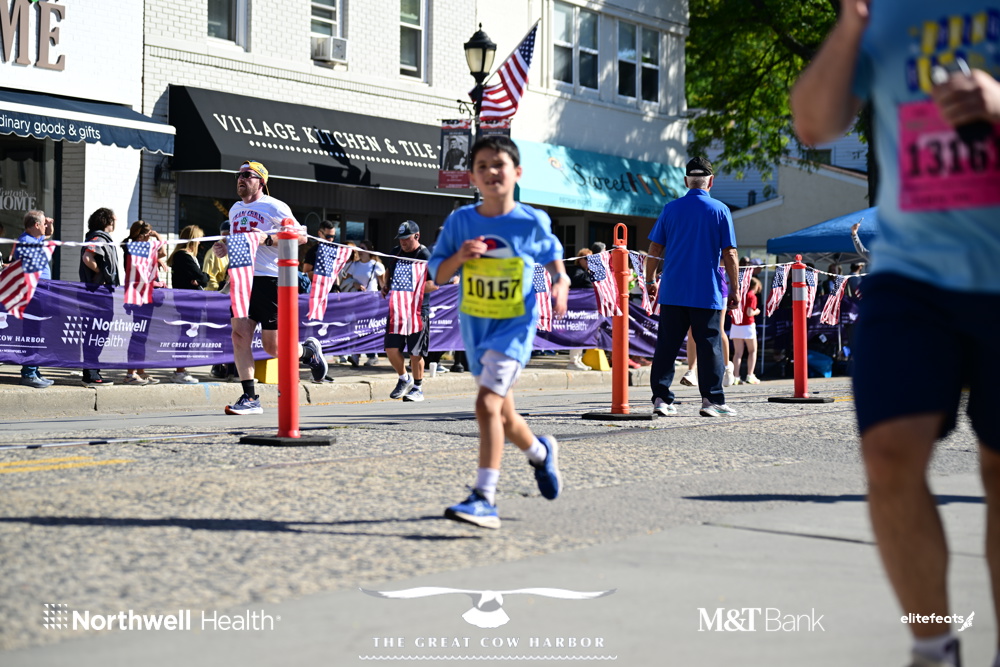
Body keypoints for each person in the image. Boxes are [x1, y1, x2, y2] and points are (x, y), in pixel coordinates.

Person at [791, 4, 1000, 666]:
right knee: (887, 454)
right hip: (911, 272)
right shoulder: (886, 12)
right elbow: (813, 123)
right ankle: (934, 646)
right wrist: (852, 23)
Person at [427, 135, 569, 529]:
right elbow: (438, 274)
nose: (491, 171)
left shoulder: (530, 221)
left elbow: (553, 257)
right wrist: (460, 256)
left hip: (514, 327)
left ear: (516, 172)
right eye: (482, 166)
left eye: (499, 164)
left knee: (486, 405)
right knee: (503, 414)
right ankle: (540, 453)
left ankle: (485, 497)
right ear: (473, 177)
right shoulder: (461, 221)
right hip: (476, 327)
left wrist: (560, 281)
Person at [212, 160, 327, 415]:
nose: (241, 179)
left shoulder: (274, 206)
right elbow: (241, 241)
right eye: (238, 175)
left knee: (272, 347)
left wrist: (268, 238)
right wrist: (225, 246)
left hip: (271, 279)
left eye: (247, 175)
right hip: (243, 277)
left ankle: (308, 352)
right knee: (239, 336)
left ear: (261, 181)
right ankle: (250, 397)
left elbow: (301, 237)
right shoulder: (235, 209)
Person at [645, 157, 739, 417]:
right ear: (711, 181)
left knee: (667, 346)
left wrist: (650, 280)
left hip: (673, 290)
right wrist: (735, 288)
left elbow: (655, 248)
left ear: (686, 181)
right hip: (706, 291)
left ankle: (661, 399)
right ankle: (711, 400)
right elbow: (730, 253)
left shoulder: (670, 209)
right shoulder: (720, 210)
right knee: (709, 347)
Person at [380, 220, 437, 402]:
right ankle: (404, 378)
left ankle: (418, 388)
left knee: (415, 352)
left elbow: (434, 284)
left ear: (417, 236)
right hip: (398, 308)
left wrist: (414, 288)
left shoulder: (425, 255)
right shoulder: (396, 252)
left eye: (406, 238)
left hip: (418, 310)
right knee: (391, 349)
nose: (403, 242)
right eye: (401, 238)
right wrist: (386, 285)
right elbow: (389, 270)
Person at [121, 220, 166, 385]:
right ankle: (130, 373)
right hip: (138, 296)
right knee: (138, 335)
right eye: (148, 235)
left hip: (145, 296)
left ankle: (140, 370)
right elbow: (161, 252)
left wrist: (156, 237)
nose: (150, 238)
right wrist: (158, 237)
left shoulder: (143, 248)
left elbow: (161, 253)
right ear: (140, 236)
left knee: (143, 335)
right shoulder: (135, 249)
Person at [79, 207, 120, 387]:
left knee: (98, 332)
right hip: (97, 294)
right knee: (95, 332)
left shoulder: (101, 238)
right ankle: (91, 374)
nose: (115, 221)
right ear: (107, 221)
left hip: (98, 294)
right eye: (114, 219)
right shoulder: (98, 238)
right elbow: (87, 257)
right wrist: (101, 274)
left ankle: (92, 371)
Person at [15, 211, 55, 388]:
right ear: (36, 225)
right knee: (31, 333)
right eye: (43, 223)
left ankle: (34, 370)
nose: (46, 226)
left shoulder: (35, 238)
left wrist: (49, 224)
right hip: (33, 293)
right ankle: (28, 373)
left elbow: (49, 234)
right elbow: (29, 268)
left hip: (40, 293)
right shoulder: (26, 242)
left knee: (37, 333)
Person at [167, 225, 209, 384]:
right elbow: (202, 278)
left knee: (188, 335)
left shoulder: (187, 256)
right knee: (186, 335)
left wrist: (201, 278)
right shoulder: (183, 256)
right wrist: (201, 278)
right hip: (188, 302)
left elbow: (201, 278)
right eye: (199, 239)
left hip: (191, 301)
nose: (200, 243)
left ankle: (181, 369)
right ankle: (179, 371)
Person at [342, 240, 385, 367]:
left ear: (369, 250)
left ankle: (369, 355)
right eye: (359, 248)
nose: (360, 250)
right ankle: (358, 355)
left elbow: (383, 284)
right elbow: (344, 278)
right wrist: (354, 283)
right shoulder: (354, 265)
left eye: (363, 248)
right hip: (357, 299)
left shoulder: (376, 265)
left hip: (371, 300)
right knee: (358, 326)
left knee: (367, 327)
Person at [565, 248, 593, 371]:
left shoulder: (587, 272)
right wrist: (589, 273)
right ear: (579, 259)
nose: (589, 261)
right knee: (577, 333)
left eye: (591, 259)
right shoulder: (576, 271)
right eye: (586, 258)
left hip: (587, 307)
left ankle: (578, 359)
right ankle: (573, 361)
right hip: (578, 307)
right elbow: (575, 280)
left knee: (583, 334)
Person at [730, 277, 761, 385]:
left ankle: (736, 376)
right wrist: (757, 311)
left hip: (736, 324)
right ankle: (750, 375)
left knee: (738, 353)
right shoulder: (752, 296)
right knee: (752, 351)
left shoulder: (739, 295)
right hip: (748, 325)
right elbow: (749, 312)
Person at [203, 220, 230, 291]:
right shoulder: (214, 252)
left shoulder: (232, 251)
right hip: (217, 294)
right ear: (224, 235)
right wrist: (219, 293)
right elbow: (209, 278)